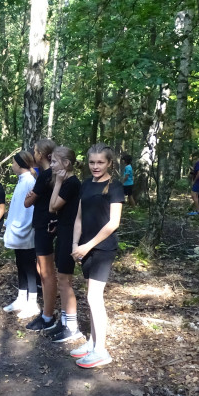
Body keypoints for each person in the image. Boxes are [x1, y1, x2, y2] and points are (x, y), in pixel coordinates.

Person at [71, 144, 125, 369]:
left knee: (95, 298)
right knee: (89, 297)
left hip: (103, 249)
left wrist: (88, 245)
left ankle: (101, 351)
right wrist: (76, 244)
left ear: (109, 163)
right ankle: (93, 343)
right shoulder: (85, 185)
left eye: (100, 162)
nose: (95, 166)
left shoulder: (115, 187)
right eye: (92, 162)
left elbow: (114, 223)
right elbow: (79, 218)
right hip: (84, 247)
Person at [46, 146, 84, 343]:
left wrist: (59, 182)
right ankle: (64, 321)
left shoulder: (70, 183)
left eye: (54, 162)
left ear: (66, 164)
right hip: (63, 231)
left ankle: (72, 326)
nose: (51, 165)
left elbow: (52, 207)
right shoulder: (68, 182)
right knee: (62, 280)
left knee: (65, 281)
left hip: (70, 236)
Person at [24, 138, 59, 333]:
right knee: (42, 269)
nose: (34, 154)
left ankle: (48, 316)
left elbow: (28, 202)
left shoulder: (46, 176)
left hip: (45, 225)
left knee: (46, 272)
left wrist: (31, 195)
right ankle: (46, 312)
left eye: (35, 151)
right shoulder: (47, 175)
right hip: (43, 224)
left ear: (42, 155)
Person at [2, 151, 40, 318]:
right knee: (20, 264)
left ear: (19, 164)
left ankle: (32, 303)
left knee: (29, 267)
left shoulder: (29, 182)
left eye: (13, 163)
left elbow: (30, 210)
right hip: (17, 230)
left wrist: (22, 227)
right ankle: (21, 299)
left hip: (25, 232)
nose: (12, 166)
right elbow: (17, 207)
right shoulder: (22, 181)